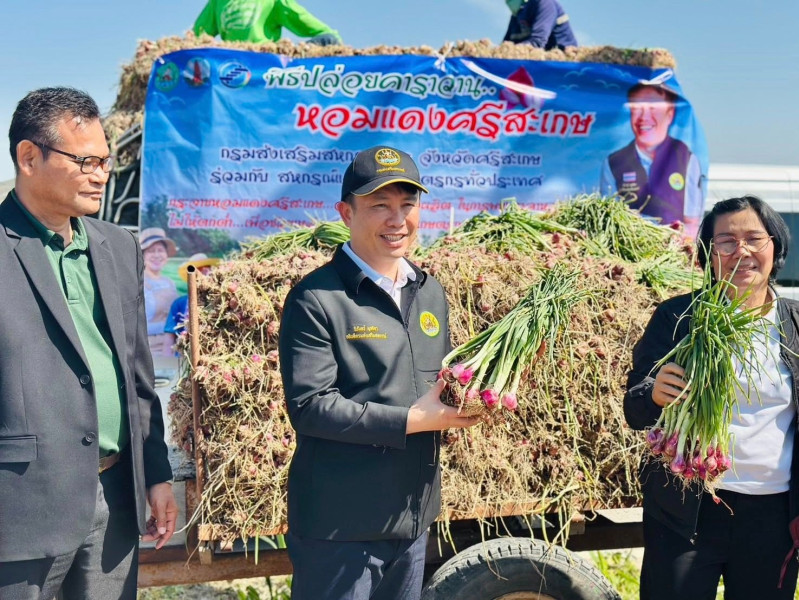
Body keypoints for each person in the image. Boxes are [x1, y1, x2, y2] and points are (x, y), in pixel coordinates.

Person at [278, 145, 480, 600]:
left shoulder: (429, 292)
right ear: (346, 213)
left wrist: (483, 386)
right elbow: (310, 407)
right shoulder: (317, 298)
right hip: (341, 527)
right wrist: (414, 420)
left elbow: (437, 384)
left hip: (412, 519)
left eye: (408, 204)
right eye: (380, 206)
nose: (397, 220)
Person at [0, 87, 176, 599]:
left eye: (105, 161)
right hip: (20, 512)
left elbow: (138, 374)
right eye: (86, 161)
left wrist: (156, 474)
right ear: (29, 158)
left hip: (114, 501)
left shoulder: (117, 246)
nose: (102, 175)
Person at [624, 195, 799, 599]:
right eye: (726, 241)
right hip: (686, 509)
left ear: (775, 245)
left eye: (754, 238)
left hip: (773, 516)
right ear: (708, 254)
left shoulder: (794, 323)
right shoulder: (678, 317)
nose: (742, 251)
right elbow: (634, 407)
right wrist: (654, 394)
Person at [600, 81, 704, 239]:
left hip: (672, 249)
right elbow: (607, 220)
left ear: (670, 114)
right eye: (637, 109)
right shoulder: (613, 163)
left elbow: (692, 222)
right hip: (628, 248)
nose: (644, 117)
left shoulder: (687, 159)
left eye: (653, 108)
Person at [194, 0, 342, 46]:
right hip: (230, 65)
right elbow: (194, 38)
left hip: (264, 65)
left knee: (330, 40)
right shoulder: (218, 2)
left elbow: (323, 32)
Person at [164, 252, 220, 352]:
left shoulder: (219, 302)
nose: (203, 276)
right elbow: (169, 340)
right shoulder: (179, 303)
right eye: (199, 271)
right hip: (184, 356)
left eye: (207, 270)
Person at [141, 227, 179, 357]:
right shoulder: (138, 282)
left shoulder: (169, 282)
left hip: (174, 348)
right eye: (151, 251)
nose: (157, 255)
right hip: (150, 351)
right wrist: (171, 327)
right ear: (143, 256)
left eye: (160, 250)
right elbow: (135, 325)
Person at [503, 0, 578, 50]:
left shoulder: (545, 3)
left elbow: (538, 42)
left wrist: (513, 50)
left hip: (562, 64)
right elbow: (506, 45)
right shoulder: (516, 15)